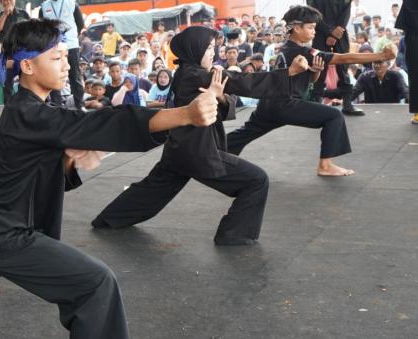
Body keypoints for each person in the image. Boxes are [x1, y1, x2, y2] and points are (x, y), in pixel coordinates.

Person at [0, 18, 219, 339]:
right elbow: (102, 123)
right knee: (95, 285)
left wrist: (66, 162)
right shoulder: (28, 112)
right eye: (56, 58)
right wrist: (185, 114)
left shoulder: (30, 111)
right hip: (1, 234)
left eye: (66, 56)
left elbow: (30, 166)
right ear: (27, 65)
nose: (67, 63)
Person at [92, 25, 307, 245]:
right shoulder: (194, 75)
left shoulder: (187, 72)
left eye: (215, 48)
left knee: (152, 191)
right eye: (209, 48)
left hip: (179, 149)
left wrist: (221, 97)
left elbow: (224, 94)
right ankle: (233, 236)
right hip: (197, 152)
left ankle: (108, 219)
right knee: (256, 180)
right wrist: (289, 73)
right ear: (195, 49)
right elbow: (242, 83)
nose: (214, 52)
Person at [227, 6, 397, 177]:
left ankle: (214, 153)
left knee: (245, 133)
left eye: (315, 28)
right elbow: (344, 57)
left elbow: (310, 80)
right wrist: (382, 56)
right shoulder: (304, 51)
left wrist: (315, 70)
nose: (314, 32)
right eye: (310, 27)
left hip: (268, 103)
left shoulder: (284, 48)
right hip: (286, 104)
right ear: (296, 28)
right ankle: (325, 165)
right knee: (334, 116)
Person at [306, 0, 362, 115]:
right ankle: (317, 104)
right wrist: (329, 32)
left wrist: (337, 31)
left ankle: (348, 104)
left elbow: (346, 12)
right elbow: (313, 13)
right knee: (319, 67)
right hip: (320, 34)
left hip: (340, 33)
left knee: (343, 68)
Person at [39, 0, 86, 109]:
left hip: (71, 45)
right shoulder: (44, 7)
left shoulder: (72, 3)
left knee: (75, 76)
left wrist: (70, 38)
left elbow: (80, 23)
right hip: (53, 47)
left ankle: (79, 105)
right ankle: (57, 106)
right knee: (54, 76)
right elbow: (42, 27)